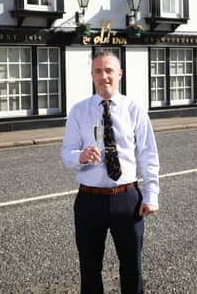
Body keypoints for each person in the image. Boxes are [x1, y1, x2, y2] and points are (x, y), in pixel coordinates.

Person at [61, 50, 160, 294]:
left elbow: (148, 153)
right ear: (92, 75)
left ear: (119, 74)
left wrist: (151, 195)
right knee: (89, 268)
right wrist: (80, 156)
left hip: (126, 198)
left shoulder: (134, 109)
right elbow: (66, 153)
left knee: (132, 268)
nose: (103, 76)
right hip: (89, 200)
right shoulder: (78, 110)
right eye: (97, 71)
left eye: (108, 70)